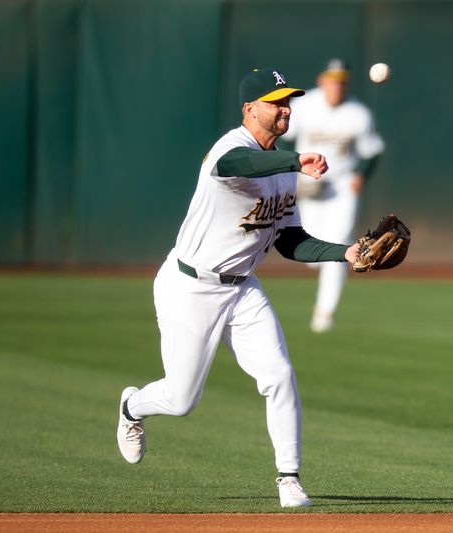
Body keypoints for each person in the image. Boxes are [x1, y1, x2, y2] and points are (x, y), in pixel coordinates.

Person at [115, 67, 361, 509]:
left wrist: (346, 254)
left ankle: (289, 479)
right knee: (181, 398)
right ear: (250, 109)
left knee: (279, 376)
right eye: (276, 102)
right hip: (189, 287)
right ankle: (133, 407)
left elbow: (290, 241)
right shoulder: (231, 149)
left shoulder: (286, 171)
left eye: (288, 101)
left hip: (243, 290)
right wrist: (296, 160)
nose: (285, 108)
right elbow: (237, 166)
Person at [282, 58, 385, 333]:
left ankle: (324, 312)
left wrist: (361, 175)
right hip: (309, 186)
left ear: (346, 83)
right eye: (332, 80)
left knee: (338, 245)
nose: (336, 86)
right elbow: (283, 136)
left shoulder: (358, 113)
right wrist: (291, 166)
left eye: (341, 81)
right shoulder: (304, 107)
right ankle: (323, 283)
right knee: (313, 253)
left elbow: (372, 151)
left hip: (341, 187)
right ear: (321, 81)